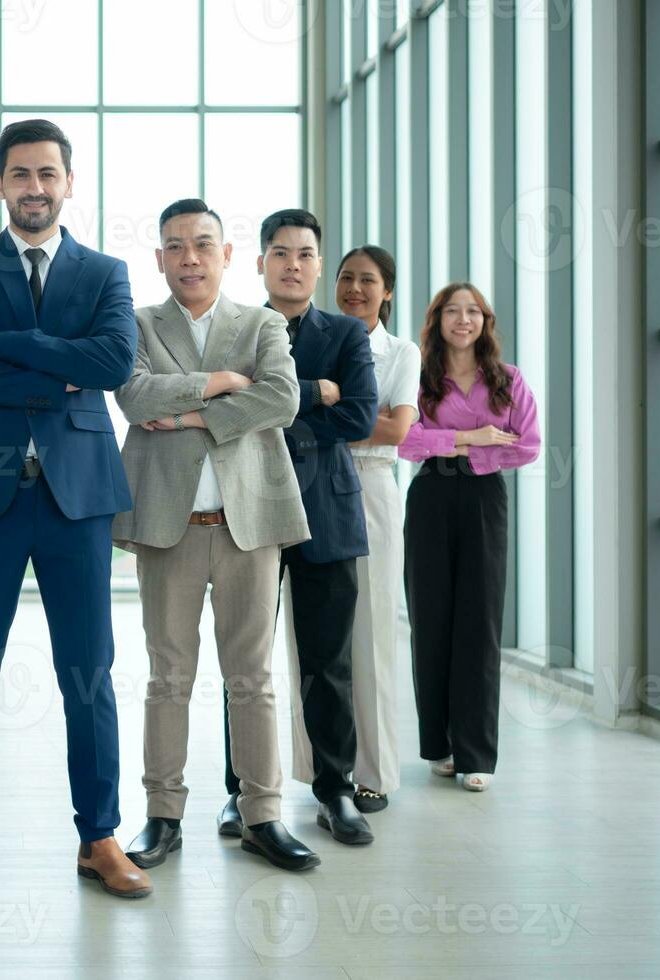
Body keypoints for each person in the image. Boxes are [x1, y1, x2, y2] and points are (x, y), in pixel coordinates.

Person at [0, 119, 149, 902]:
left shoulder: (105, 271)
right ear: (0, 183)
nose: (34, 187)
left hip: (76, 495)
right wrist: (52, 373)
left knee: (90, 674)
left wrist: (3, 345)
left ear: (69, 182)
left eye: (48, 173)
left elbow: (112, 362)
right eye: (19, 174)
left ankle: (100, 836)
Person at [113, 199, 318, 872]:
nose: (190, 257)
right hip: (169, 528)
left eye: (203, 244)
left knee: (252, 678)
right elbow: (136, 397)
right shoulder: (139, 323)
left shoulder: (260, 323)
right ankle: (163, 815)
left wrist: (191, 417)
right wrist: (222, 385)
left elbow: (282, 400)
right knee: (167, 677)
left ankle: (263, 815)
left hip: (249, 526)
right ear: (161, 258)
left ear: (227, 254)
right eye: (176, 246)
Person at [218, 208, 378, 847]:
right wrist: (316, 392)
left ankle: (336, 789)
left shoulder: (345, 332)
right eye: (279, 253)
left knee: (328, 661)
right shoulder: (236, 331)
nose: (292, 264)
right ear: (260, 263)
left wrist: (275, 402)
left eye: (305, 254)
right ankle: (242, 792)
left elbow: (362, 415)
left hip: (327, 514)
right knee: (245, 661)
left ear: (318, 263)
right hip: (251, 509)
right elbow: (227, 406)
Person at [287, 245, 419, 814]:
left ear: (388, 291)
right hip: (311, 489)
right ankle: (316, 765)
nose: (355, 289)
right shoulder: (315, 338)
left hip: (372, 494)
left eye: (368, 280)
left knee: (371, 639)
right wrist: (340, 411)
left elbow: (391, 430)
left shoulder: (401, 352)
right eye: (345, 278)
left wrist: (336, 414)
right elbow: (351, 416)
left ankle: (375, 771)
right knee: (313, 644)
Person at [399, 282, 540, 793]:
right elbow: (406, 443)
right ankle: (439, 745)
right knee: (430, 619)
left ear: (485, 321)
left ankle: (475, 753)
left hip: (484, 498)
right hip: (431, 496)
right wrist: (469, 437)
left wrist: (464, 452)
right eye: (453, 312)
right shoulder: (418, 380)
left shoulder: (508, 380)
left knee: (479, 624)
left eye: (473, 311)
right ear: (437, 321)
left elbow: (527, 447)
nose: (463, 320)